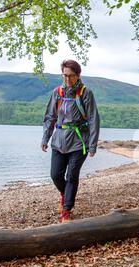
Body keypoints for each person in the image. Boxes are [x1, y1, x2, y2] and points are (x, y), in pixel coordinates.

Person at [41, 60, 100, 223]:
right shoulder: (57, 92)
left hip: (79, 142)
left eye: (71, 76)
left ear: (78, 75)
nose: (67, 79)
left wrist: (93, 144)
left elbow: (94, 119)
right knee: (55, 175)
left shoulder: (85, 93)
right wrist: (45, 137)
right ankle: (65, 194)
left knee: (72, 176)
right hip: (59, 141)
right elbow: (50, 117)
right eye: (64, 75)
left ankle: (66, 211)